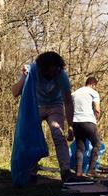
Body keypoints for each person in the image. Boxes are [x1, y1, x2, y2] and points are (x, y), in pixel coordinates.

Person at [12, 51, 74, 182]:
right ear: (42, 68)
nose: (53, 74)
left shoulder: (61, 75)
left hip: (55, 106)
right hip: (37, 106)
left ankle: (66, 171)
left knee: (58, 135)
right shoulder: (32, 70)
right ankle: (31, 171)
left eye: (55, 71)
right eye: (50, 72)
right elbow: (15, 92)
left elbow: (68, 101)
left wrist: (71, 126)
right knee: (31, 137)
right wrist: (24, 77)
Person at [71, 77, 101, 177]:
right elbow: (97, 110)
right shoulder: (93, 92)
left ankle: (78, 172)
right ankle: (91, 170)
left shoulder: (74, 93)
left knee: (80, 148)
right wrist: (96, 119)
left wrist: (70, 126)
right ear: (93, 85)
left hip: (76, 122)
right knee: (97, 144)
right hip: (88, 121)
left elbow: (69, 109)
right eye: (95, 86)